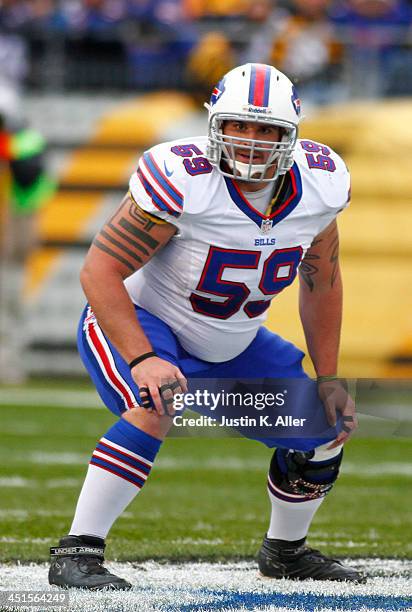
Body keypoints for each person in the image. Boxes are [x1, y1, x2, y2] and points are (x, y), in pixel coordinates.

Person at [48, 63, 365, 590]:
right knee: (156, 404)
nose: (251, 141)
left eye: (267, 130)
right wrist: (145, 357)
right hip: (146, 320)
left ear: (292, 136)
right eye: (239, 126)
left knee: (327, 428)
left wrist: (329, 374)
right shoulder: (184, 180)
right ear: (215, 124)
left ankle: (285, 552)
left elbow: (322, 280)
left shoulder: (321, 185)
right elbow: (99, 271)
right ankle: (76, 551)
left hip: (233, 340)